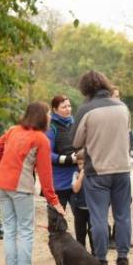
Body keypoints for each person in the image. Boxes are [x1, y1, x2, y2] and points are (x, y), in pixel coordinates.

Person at [0, 102, 66, 265]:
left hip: (0, 184)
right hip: (20, 186)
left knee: (9, 230)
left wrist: (4, 166)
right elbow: (45, 173)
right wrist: (54, 201)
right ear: (42, 116)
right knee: (25, 230)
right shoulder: (40, 139)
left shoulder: (12, 130)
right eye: (48, 113)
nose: (49, 117)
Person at [71, 70, 133, 265]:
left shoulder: (85, 109)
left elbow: (75, 141)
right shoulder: (122, 107)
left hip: (97, 170)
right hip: (122, 168)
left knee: (98, 217)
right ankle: (123, 257)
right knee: (122, 214)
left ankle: (102, 260)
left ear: (85, 89)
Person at [46, 95, 90, 247]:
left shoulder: (76, 124)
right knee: (56, 217)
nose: (68, 110)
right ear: (55, 110)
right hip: (58, 180)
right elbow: (47, 153)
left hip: (77, 178)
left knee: (82, 216)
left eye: (69, 106)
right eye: (64, 107)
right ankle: (56, 245)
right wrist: (66, 159)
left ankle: (81, 246)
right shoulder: (51, 128)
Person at [70, 152, 92, 252]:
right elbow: (75, 189)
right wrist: (81, 176)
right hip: (79, 209)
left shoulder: (93, 175)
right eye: (79, 164)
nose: (82, 166)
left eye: (84, 163)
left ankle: (95, 256)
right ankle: (82, 257)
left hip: (92, 209)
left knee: (93, 234)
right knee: (80, 235)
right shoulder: (76, 174)